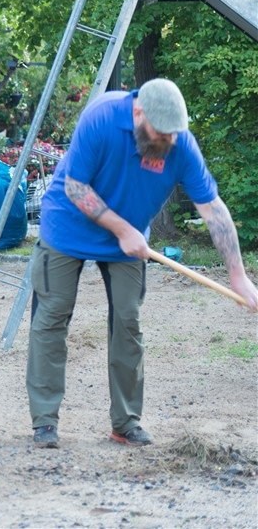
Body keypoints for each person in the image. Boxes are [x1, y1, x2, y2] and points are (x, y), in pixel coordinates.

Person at [27, 78, 258, 450]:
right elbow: (75, 187)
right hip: (68, 228)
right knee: (52, 316)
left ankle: (126, 423)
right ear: (138, 113)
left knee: (128, 322)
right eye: (160, 132)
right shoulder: (101, 118)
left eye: (173, 134)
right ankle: (45, 422)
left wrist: (239, 277)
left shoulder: (180, 144)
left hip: (129, 243)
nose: (167, 141)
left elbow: (213, 210)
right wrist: (121, 229)